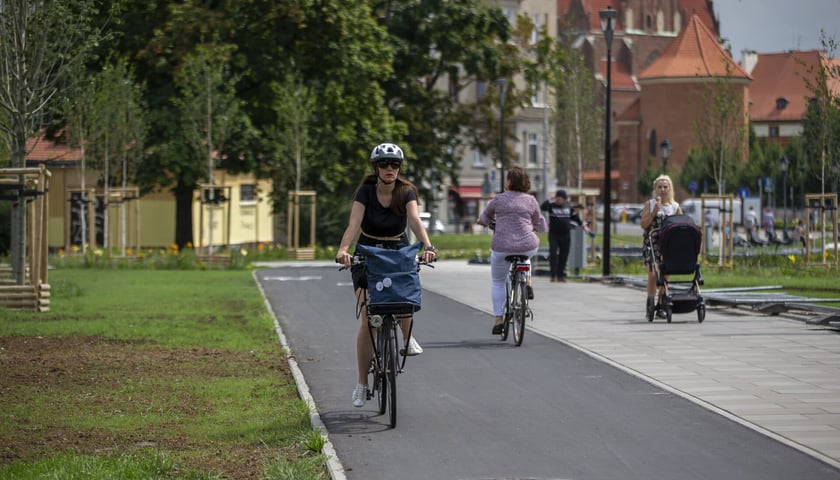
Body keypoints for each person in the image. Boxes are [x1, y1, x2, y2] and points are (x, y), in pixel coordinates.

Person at [335, 142, 437, 408]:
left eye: (395, 164)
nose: (390, 169)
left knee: (403, 298)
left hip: (397, 250)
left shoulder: (407, 191)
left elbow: (415, 221)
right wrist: (344, 249)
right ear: (375, 167)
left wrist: (428, 246)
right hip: (368, 252)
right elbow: (353, 225)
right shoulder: (365, 192)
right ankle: (361, 383)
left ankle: (407, 337)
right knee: (370, 316)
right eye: (384, 164)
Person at [477, 166, 548, 334]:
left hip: (502, 246)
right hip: (527, 245)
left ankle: (498, 319)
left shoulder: (498, 199)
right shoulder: (531, 200)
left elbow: (483, 218)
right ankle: (527, 281)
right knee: (526, 255)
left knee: (498, 281)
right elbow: (541, 223)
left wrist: (485, 222)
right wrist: (535, 227)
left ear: (508, 181)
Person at [640, 174, 683, 317]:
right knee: (653, 274)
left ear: (670, 188)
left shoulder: (675, 207)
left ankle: (661, 303)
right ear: (655, 189)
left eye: (666, 187)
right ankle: (651, 301)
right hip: (652, 244)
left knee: (665, 275)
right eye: (660, 187)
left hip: (668, 244)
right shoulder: (650, 204)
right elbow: (643, 224)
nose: (663, 189)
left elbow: (682, 224)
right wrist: (654, 212)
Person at [540, 189, 589, 282]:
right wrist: (549, 198)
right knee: (553, 254)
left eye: (562, 198)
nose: (560, 200)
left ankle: (560, 276)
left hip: (565, 235)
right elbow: (542, 207)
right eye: (558, 198)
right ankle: (553, 275)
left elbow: (576, 219)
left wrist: (584, 226)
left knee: (564, 255)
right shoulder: (551, 206)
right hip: (554, 234)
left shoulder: (568, 207)